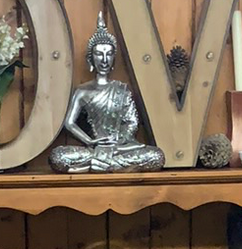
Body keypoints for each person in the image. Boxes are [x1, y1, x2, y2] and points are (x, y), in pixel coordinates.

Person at [49, 14, 164, 172]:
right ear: (91, 58)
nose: (104, 60)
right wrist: (90, 141)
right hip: (94, 148)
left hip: (120, 148)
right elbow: (69, 123)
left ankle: (96, 166)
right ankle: (109, 166)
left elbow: (132, 122)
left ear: (113, 59)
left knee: (156, 156)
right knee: (58, 156)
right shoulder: (83, 91)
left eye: (109, 54)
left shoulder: (122, 90)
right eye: (99, 54)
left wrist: (117, 141)